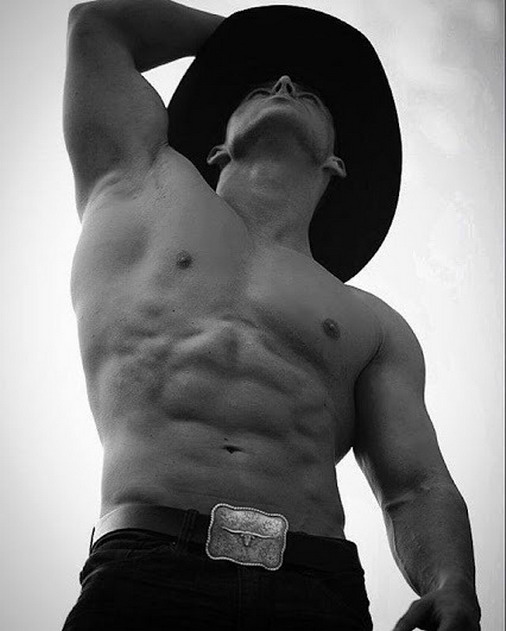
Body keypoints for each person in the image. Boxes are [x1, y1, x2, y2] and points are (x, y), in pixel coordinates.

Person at [62, 1, 481, 629]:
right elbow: (98, 26)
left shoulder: (373, 324)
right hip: (146, 564)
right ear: (217, 147)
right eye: (260, 86)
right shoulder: (137, 186)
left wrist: (453, 582)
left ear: (336, 161)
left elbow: (415, 484)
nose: (284, 84)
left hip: (316, 587)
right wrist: (244, 39)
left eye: (309, 93)